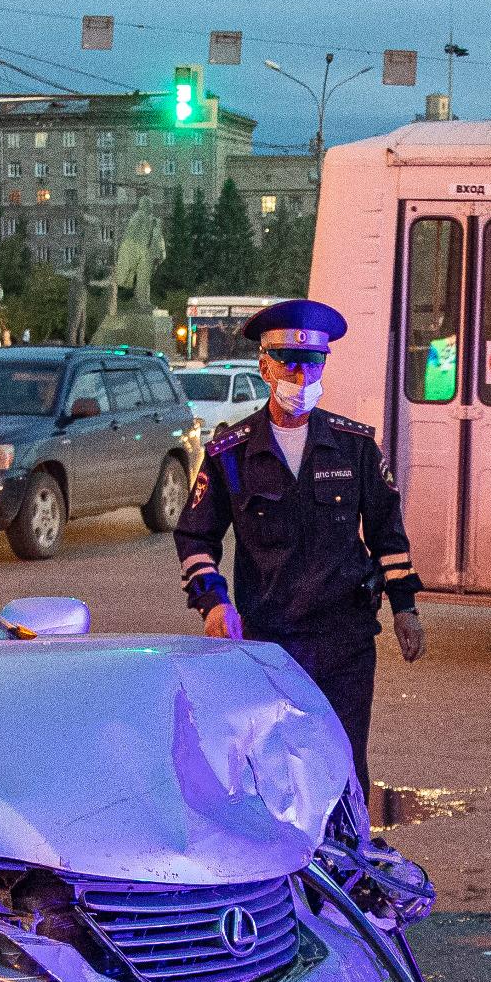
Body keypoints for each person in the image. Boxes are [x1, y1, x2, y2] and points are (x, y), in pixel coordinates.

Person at [173, 298, 423, 781]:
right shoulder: (232, 452)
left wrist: (405, 607)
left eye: (313, 364)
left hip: (343, 640)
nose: (301, 377)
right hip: (268, 642)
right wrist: (214, 605)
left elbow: (388, 531)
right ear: (264, 366)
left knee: (345, 765)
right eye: (289, 363)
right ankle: (287, 858)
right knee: (275, 769)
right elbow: (195, 535)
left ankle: (347, 853)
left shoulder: (355, 446)